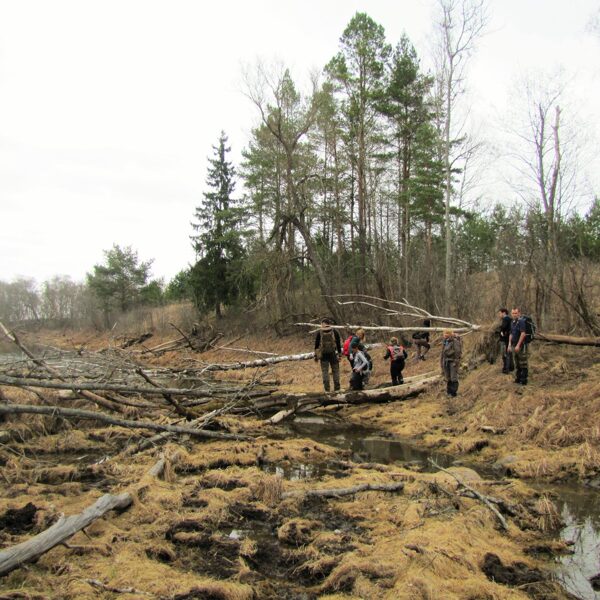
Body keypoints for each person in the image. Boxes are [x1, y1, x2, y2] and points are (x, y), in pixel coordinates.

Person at [314, 318, 342, 392]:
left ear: (323, 324)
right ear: (329, 323)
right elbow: (338, 344)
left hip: (323, 355)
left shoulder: (319, 332)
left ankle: (327, 390)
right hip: (333, 354)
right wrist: (340, 354)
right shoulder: (335, 331)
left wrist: (316, 356)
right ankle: (337, 389)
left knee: (325, 372)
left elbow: (316, 345)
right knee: (335, 371)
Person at [508, 307, 529, 385]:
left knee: (523, 362)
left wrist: (518, 345)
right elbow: (511, 334)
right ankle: (518, 378)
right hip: (513, 345)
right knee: (517, 363)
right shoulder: (512, 322)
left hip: (521, 346)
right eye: (513, 313)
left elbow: (523, 334)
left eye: (516, 313)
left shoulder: (521, 322)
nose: (514, 315)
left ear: (519, 313)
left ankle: (524, 380)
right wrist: (509, 345)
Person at [440, 329, 462, 397]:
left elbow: (458, 352)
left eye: (447, 334)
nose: (445, 335)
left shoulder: (455, 341)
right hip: (446, 361)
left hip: (453, 361)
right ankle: (449, 392)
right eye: (444, 334)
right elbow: (442, 353)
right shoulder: (445, 342)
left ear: (450, 334)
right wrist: (441, 362)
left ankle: (453, 393)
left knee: (453, 378)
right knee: (448, 377)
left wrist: (456, 362)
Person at [498, 308, 513, 374]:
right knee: (508, 354)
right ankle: (511, 367)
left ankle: (506, 369)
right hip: (507, 339)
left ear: (504, 313)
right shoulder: (509, 319)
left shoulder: (506, 319)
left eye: (500, 313)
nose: (499, 315)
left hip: (505, 340)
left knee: (504, 354)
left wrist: (500, 329)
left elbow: (503, 327)